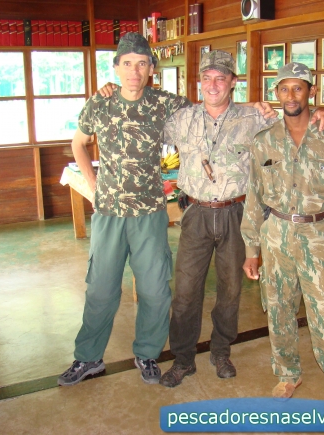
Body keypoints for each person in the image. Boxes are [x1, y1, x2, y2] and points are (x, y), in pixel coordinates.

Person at [157, 51, 324, 388]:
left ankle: (221, 352)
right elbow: (147, 129)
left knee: (230, 290)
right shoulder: (182, 119)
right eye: (207, 78)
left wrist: (320, 110)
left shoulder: (254, 118)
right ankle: (182, 359)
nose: (213, 85)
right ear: (199, 82)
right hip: (195, 213)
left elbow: (295, 118)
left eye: (221, 78)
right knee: (185, 292)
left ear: (232, 83)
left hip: (237, 214)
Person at [57, 32, 193, 387]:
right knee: (100, 290)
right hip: (109, 214)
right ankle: (88, 357)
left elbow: (211, 109)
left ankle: (147, 353)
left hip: (149, 213)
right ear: (116, 67)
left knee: (155, 290)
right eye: (128, 63)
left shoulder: (165, 103)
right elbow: (78, 143)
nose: (135, 71)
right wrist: (92, 185)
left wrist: (256, 108)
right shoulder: (99, 103)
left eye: (142, 63)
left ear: (151, 69)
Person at [241, 62, 324, 402]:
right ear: (276, 94)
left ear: (312, 92)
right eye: (284, 89)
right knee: (279, 310)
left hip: (320, 235)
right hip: (276, 234)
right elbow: (253, 197)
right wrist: (251, 250)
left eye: (298, 88)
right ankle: (287, 375)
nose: (291, 95)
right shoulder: (264, 141)